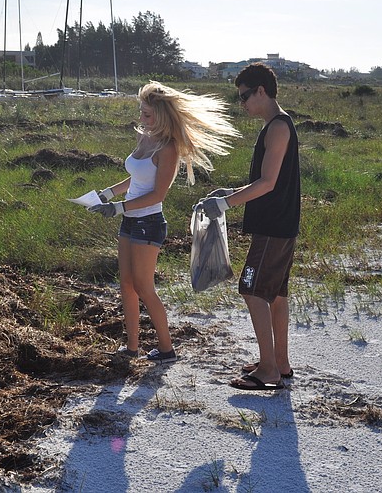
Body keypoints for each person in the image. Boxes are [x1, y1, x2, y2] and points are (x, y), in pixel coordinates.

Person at [90, 81, 239, 363]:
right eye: (141, 112)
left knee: (144, 287)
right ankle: (132, 348)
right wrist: (108, 193)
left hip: (149, 223)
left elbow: (158, 193)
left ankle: (167, 349)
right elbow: (137, 177)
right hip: (130, 221)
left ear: (161, 115)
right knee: (126, 284)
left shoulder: (169, 148)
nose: (142, 119)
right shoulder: (144, 136)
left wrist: (117, 208)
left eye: (147, 114)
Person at [196, 63, 300, 390]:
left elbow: (268, 183)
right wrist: (229, 193)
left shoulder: (278, 127)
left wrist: (225, 205)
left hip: (273, 228)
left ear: (261, 90)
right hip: (279, 226)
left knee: (251, 289)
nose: (242, 104)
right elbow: (264, 180)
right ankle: (280, 363)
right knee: (276, 294)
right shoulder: (277, 125)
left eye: (244, 97)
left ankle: (268, 370)